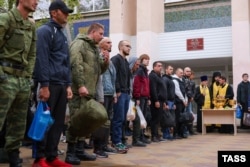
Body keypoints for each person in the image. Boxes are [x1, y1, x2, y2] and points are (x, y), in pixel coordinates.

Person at [32, 0, 73, 166]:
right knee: (44, 121)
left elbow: (66, 62)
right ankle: (39, 158)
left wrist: (68, 85)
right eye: (64, 11)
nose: (67, 15)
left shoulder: (62, 35)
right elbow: (41, 59)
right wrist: (45, 85)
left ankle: (52, 156)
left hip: (62, 84)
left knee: (57, 122)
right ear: (54, 12)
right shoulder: (44, 31)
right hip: (49, 84)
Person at [65, 23, 109, 165]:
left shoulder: (94, 48)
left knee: (85, 122)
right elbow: (75, 65)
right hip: (79, 91)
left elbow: (98, 71)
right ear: (93, 32)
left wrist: (106, 62)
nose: (102, 37)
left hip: (89, 92)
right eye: (101, 34)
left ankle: (79, 150)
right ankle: (70, 153)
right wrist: (81, 85)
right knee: (76, 120)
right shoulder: (79, 44)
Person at [0, 0, 37, 166]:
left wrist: (27, 76)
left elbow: (32, 54)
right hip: (5, 76)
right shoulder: (6, 19)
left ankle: (13, 156)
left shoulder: (31, 26)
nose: (37, 2)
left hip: (22, 80)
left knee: (19, 123)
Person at [92, 37, 117, 158]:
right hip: (101, 93)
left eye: (111, 42)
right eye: (108, 42)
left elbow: (113, 79)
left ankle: (104, 144)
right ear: (101, 44)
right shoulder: (98, 56)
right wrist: (100, 96)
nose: (110, 44)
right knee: (100, 121)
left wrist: (114, 93)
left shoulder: (109, 60)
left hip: (109, 93)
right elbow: (99, 77)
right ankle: (98, 147)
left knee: (107, 121)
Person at [110, 40, 131, 153]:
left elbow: (127, 78)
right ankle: (116, 141)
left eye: (130, 46)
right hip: (120, 93)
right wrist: (117, 90)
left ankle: (120, 140)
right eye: (127, 46)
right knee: (118, 119)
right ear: (120, 47)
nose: (129, 48)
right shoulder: (115, 59)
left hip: (126, 93)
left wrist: (129, 92)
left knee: (123, 119)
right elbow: (114, 75)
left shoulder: (126, 61)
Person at [132, 54, 151, 145]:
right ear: (141, 60)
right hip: (140, 97)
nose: (147, 61)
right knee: (139, 117)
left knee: (143, 117)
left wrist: (148, 97)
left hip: (145, 97)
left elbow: (147, 86)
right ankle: (137, 138)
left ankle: (141, 136)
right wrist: (137, 97)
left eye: (148, 59)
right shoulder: (140, 70)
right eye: (145, 59)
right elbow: (137, 84)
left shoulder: (145, 71)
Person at [149, 61, 167, 142]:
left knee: (158, 119)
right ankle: (154, 136)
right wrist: (156, 100)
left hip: (161, 100)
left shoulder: (159, 76)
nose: (160, 67)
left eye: (161, 66)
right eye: (159, 66)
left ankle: (157, 135)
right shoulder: (152, 76)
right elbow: (153, 89)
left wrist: (164, 102)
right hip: (156, 100)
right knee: (155, 119)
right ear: (154, 67)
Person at [172, 68, 188, 139]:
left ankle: (181, 133)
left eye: (182, 73)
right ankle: (176, 133)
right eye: (181, 73)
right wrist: (183, 100)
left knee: (182, 118)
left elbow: (184, 91)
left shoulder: (182, 80)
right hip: (178, 102)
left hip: (183, 102)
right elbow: (177, 92)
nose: (182, 74)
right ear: (177, 73)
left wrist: (186, 99)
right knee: (177, 118)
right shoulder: (175, 80)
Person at [162, 65, 176, 140]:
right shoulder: (164, 79)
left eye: (172, 69)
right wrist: (166, 103)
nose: (172, 70)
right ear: (166, 70)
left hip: (171, 101)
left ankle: (168, 134)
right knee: (166, 119)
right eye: (170, 69)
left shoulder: (170, 79)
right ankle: (166, 134)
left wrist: (173, 103)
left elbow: (172, 92)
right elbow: (164, 91)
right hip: (167, 101)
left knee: (170, 119)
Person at [183, 67, 196, 135]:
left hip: (189, 101)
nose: (189, 72)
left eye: (189, 71)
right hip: (184, 100)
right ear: (184, 72)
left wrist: (192, 97)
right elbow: (184, 90)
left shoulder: (192, 81)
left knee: (190, 116)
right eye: (187, 71)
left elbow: (193, 90)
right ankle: (185, 131)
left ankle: (190, 130)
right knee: (184, 116)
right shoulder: (182, 80)